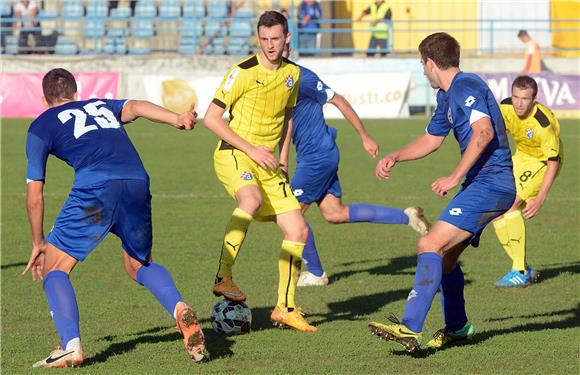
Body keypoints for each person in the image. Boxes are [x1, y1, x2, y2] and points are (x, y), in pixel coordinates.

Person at [23, 68, 207, 367]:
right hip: (136, 182)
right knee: (138, 264)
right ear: (75, 93)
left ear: (45, 99)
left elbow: (34, 195)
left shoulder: (41, 125)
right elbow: (135, 106)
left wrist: (37, 242)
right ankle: (179, 308)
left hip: (96, 192)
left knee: (52, 265)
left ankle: (70, 346)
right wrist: (176, 118)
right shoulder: (99, 105)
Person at [368, 32, 516, 352]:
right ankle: (458, 327)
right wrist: (396, 156)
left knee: (429, 243)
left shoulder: (466, 86)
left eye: (423, 64)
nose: (423, 71)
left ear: (432, 63)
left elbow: (484, 131)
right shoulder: (447, 96)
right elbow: (433, 140)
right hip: (481, 184)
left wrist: (453, 176)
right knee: (446, 258)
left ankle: (409, 327)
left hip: (491, 183)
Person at [280, 45, 431, 287]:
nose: (275, 50)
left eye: (280, 44)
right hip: (318, 155)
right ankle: (406, 217)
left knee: (291, 214)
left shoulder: (302, 77)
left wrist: (364, 135)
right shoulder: (272, 80)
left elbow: (338, 99)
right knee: (334, 213)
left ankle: (316, 273)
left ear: (287, 45)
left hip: (318, 158)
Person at [204, 10, 316, 333]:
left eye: (275, 39)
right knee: (249, 200)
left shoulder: (292, 74)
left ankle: (285, 307)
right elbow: (211, 119)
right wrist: (251, 148)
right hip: (235, 154)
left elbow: (288, 116)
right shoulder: (241, 72)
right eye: (264, 39)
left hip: (269, 163)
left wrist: (283, 157)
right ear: (259, 38)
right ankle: (223, 275)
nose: (269, 45)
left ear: (287, 38)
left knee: (298, 230)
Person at [493, 76, 562, 287]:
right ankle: (523, 266)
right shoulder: (505, 107)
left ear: (534, 99)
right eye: (516, 97)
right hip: (521, 157)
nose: (519, 103)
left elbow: (554, 161)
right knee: (496, 209)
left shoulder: (543, 123)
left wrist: (540, 198)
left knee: (512, 204)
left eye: (525, 98)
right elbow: (500, 131)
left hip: (542, 163)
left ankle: (520, 271)